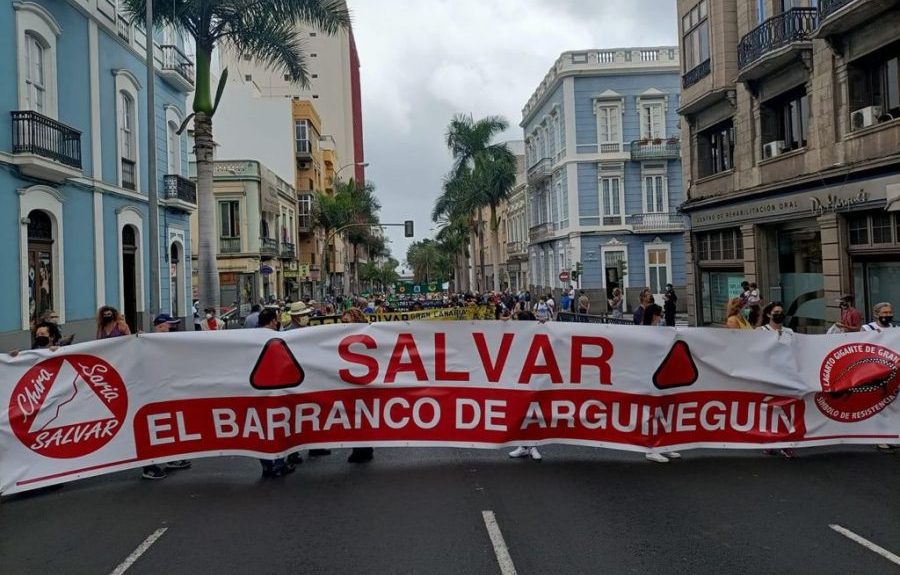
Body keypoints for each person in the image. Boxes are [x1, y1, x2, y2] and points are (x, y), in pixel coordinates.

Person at [142, 314, 193, 479]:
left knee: (168, 427)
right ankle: (149, 466)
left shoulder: (165, 345)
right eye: (169, 326)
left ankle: (171, 458)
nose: (172, 329)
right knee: (153, 429)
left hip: (165, 393)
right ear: (160, 327)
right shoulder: (147, 345)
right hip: (152, 395)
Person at [257, 307, 297, 477]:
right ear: (273, 321)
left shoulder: (250, 337)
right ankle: (279, 464)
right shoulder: (279, 338)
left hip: (258, 392)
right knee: (279, 427)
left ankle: (267, 465)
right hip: (277, 390)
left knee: (263, 429)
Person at [755, 303, 796, 459]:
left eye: (781, 312)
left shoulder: (789, 332)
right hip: (767, 374)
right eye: (776, 312)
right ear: (768, 315)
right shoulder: (760, 332)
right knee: (769, 409)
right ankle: (770, 441)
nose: (779, 314)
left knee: (785, 408)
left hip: (786, 373)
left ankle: (786, 443)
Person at [342, 308, 375, 463]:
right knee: (356, 418)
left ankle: (363, 450)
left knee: (361, 417)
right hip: (351, 383)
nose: (343, 324)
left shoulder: (366, 334)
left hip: (363, 383)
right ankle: (361, 448)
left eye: (346, 321)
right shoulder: (343, 335)